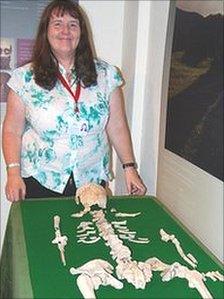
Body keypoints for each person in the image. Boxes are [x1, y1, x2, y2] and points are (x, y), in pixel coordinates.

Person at [2, 0, 146, 202]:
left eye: (73, 24)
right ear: (46, 31)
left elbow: (117, 125)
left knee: (91, 233)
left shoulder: (106, 75)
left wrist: (129, 168)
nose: (65, 31)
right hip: (40, 179)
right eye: (57, 24)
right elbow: (11, 130)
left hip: (92, 181)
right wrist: (13, 173)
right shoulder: (24, 78)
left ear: (82, 32)